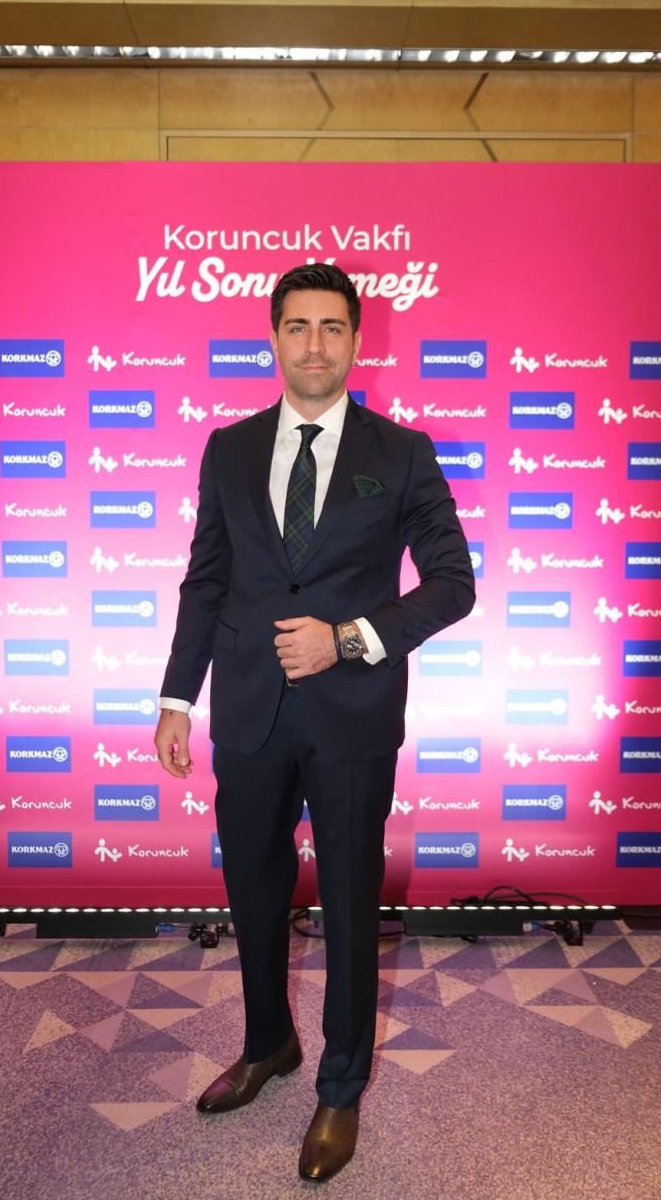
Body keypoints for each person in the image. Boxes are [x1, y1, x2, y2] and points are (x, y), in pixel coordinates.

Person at [154, 263, 475, 1182]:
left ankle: (340, 1085)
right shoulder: (227, 448)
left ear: (357, 341)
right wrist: (177, 696)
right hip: (247, 710)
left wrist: (349, 639)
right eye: (297, 326)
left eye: (332, 327)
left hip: (351, 714)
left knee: (347, 903)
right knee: (253, 891)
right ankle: (268, 1043)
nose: (314, 344)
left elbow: (453, 582)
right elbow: (206, 580)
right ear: (273, 338)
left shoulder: (401, 452)